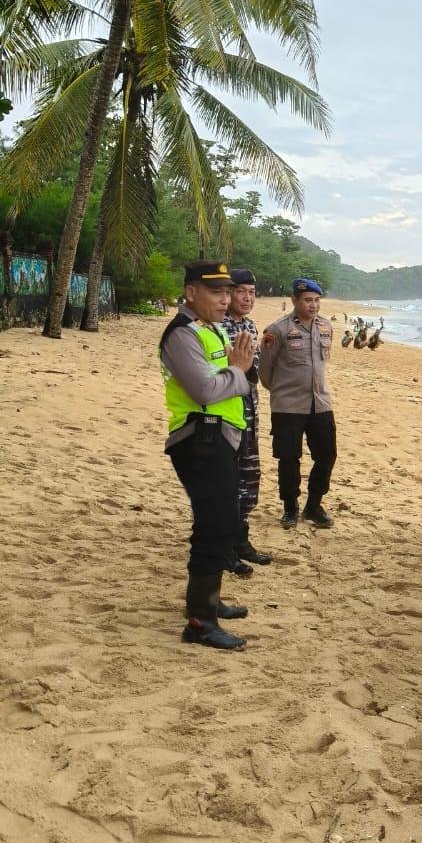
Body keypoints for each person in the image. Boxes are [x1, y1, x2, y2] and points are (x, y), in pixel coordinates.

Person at [159, 261, 256, 651]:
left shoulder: (208, 328)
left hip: (219, 437)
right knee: (216, 525)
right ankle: (200, 621)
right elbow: (204, 390)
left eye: (227, 292)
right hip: (199, 439)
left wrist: (236, 372)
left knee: (221, 522)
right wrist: (239, 372)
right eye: (216, 292)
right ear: (191, 293)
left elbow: (225, 379)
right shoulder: (182, 334)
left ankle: (208, 602)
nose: (225, 300)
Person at [259, 277, 337, 529]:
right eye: (307, 300)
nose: (313, 305)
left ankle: (313, 506)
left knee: (327, 454)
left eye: (317, 300)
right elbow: (265, 370)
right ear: (294, 300)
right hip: (287, 406)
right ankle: (290, 508)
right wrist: (281, 391)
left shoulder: (326, 326)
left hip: (320, 402)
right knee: (289, 458)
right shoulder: (277, 330)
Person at [222, 268, 271, 573]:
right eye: (241, 292)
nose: (247, 298)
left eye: (252, 293)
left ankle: (240, 540)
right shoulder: (218, 327)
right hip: (226, 416)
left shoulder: (250, 325)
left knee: (249, 480)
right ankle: (224, 547)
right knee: (227, 482)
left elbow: (253, 372)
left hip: (250, 415)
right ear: (227, 294)